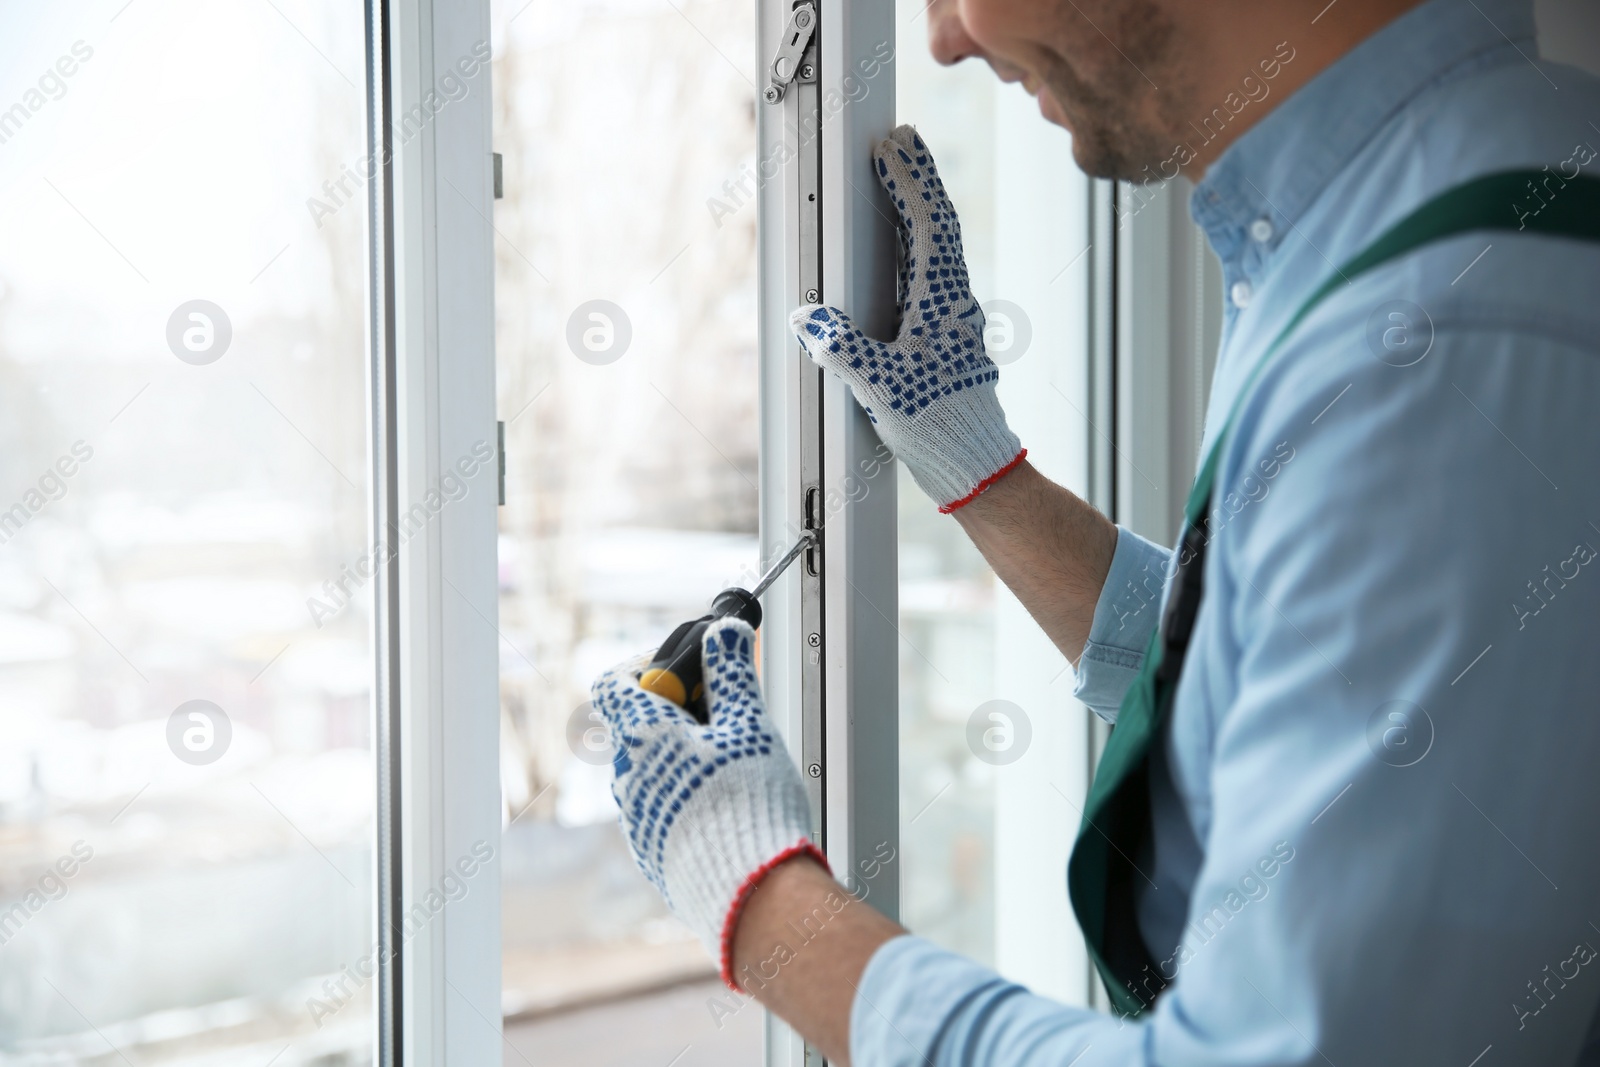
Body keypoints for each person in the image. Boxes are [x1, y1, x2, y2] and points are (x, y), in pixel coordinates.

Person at [592, 0, 1600, 1062]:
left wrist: (757, 900)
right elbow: (1291, 670)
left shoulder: (1432, 342)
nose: (942, 38)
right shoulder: (1435, 193)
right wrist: (979, 467)